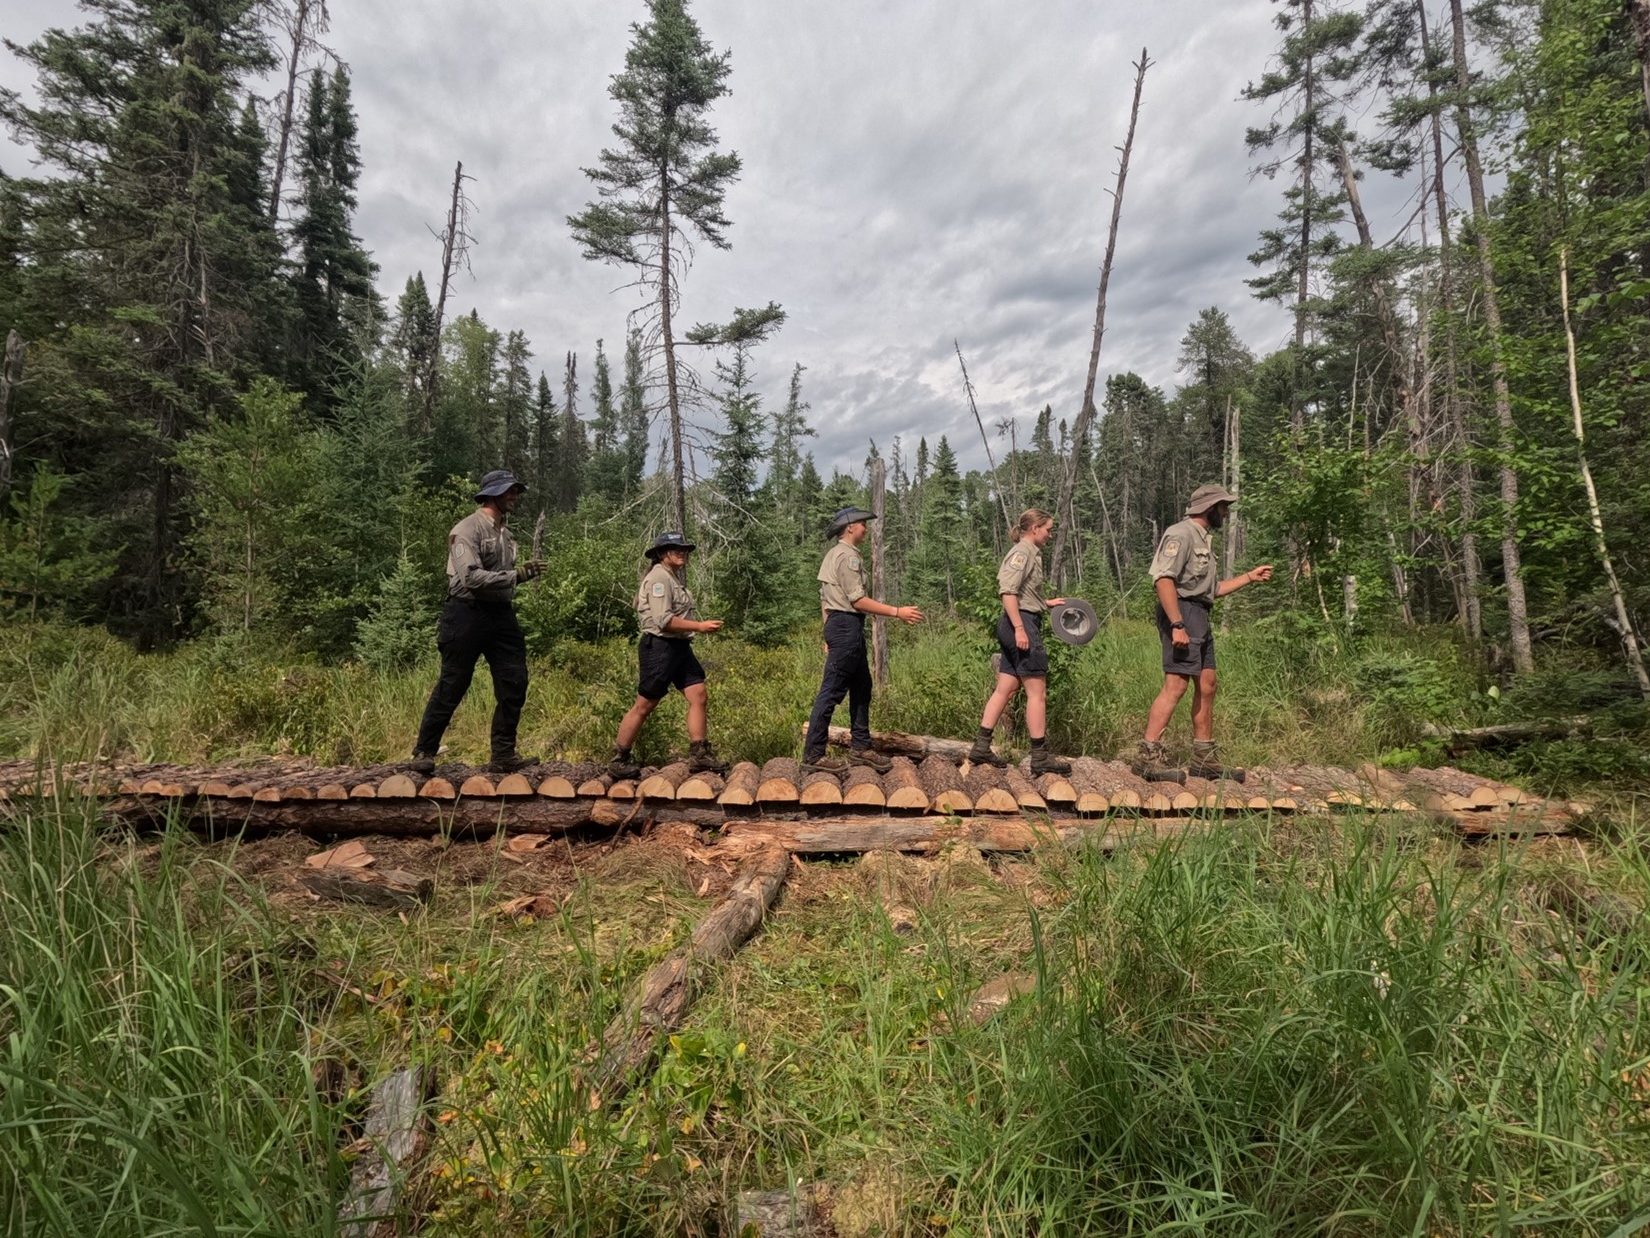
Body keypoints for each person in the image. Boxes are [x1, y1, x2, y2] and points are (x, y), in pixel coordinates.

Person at [1129, 483, 1273, 779]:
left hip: (1200, 613)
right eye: (1224, 507)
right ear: (1210, 507)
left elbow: (1211, 590)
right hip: (1182, 612)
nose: (1226, 512)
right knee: (1177, 685)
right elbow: (1163, 580)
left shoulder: (1203, 539)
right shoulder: (1180, 534)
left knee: (1207, 683)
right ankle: (1147, 759)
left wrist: (1249, 577)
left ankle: (1204, 759)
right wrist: (1177, 624)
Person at [409, 470, 544, 774]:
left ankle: (503, 755)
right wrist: (517, 575)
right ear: (492, 495)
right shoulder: (466, 530)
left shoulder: (506, 536)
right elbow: (470, 577)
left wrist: (515, 578)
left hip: (501, 615)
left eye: (516, 491)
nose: (515, 497)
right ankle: (424, 752)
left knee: (514, 681)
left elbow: (500, 581)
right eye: (510, 491)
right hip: (465, 613)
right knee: (454, 683)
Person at [800, 506, 924, 774]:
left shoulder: (835, 555)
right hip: (846, 625)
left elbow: (824, 600)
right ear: (850, 528)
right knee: (831, 691)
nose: (865, 529)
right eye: (861, 524)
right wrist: (897, 612)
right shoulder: (847, 558)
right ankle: (813, 755)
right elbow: (857, 600)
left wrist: (826, 632)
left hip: (840, 626)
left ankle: (860, 747)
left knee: (862, 686)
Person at [608, 532, 729, 779]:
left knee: (698, 694)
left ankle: (699, 754)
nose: (682, 552)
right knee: (645, 704)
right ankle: (619, 758)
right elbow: (663, 621)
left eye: (684, 549)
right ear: (663, 554)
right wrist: (700, 626)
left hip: (679, 647)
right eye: (675, 549)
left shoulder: (671, 577)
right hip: (660, 648)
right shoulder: (658, 579)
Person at [965, 509, 1073, 774]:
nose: (1050, 534)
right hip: (1020, 624)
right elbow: (1008, 593)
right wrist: (1020, 629)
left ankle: (981, 747)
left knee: (1006, 688)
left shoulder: (1029, 553)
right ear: (1034, 528)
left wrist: (1045, 603)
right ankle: (1040, 757)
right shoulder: (1022, 553)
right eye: (1048, 529)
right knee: (1037, 692)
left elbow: (1023, 595)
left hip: (1021, 620)